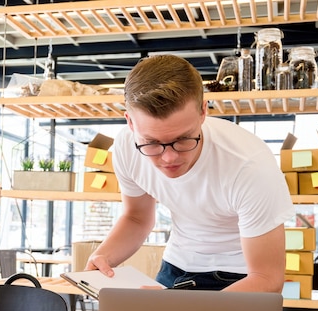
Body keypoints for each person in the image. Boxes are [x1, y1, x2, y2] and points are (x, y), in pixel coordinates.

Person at [86, 55, 294, 292]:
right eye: (152, 143)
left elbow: (267, 278)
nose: (169, 158)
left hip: (242, 275)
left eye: (183, 139)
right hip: (176, 265)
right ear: (130, 123)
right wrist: (103, 257)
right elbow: (137, 219)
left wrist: (182, 309)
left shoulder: (248, 166)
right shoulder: (126, 146)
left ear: (203, 112)